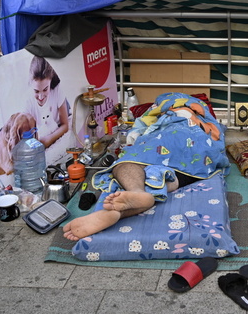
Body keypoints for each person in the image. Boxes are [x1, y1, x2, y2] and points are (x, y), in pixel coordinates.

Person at [63, 92, 228, 241]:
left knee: (126, 163)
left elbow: (137, 130)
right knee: (176, 174)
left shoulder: (162, 111)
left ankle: (135, 192)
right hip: (199, 148)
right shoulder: (205, 117)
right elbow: (216, 136)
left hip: (168, 135)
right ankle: (126, 208)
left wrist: (134, 141)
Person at [24, 56, 69, 149]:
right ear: (30, 83)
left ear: (51, 81)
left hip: (55, 126)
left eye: (45, 89)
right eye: (36, 91)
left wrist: (49, 139)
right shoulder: (27, 101)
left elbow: (65, 125)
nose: (40, 97)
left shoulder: (57, 89)